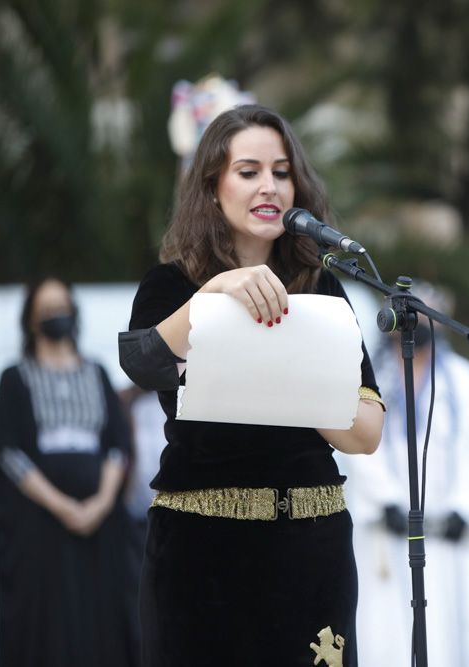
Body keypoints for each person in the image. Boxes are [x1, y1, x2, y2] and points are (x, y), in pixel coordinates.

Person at [118, 104, 385, 667]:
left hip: (311, 549)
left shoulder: (324, 291)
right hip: (200, 549)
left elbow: (365, 433)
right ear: (212, 188)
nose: (269, 186)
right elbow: (142, 363)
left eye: (282, 172)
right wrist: (215, 294)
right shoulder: (173, 285)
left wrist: (286, 361)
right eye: (248, 171)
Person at [340, 285, 469, 667]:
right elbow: (358, 445)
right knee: (384, 637)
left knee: (454, 635)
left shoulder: (465, 382)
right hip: (385, 539)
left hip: (449, 541)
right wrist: (386, 504)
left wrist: (465, 511)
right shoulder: (368, 378)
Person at [0, 277, 139, 667]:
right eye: (47, 310)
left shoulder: (97, 372)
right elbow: (9, 453)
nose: (56, 316)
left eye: (62, 307)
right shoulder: (14, 378)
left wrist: (101, 503)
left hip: (100, 526)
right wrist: (63, 507)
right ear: (31, 320)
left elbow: (117, 446)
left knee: (101, 618)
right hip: (41, 528)